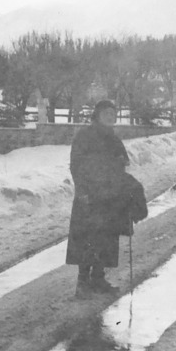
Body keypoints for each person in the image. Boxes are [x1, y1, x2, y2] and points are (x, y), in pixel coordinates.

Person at [66, 99, 136, 293]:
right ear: (97, 115)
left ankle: (98, 278)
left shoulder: (113, 138)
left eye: (113, 114)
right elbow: (76, 165)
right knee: (88, 238)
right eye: (106, 113)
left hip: (110, 197)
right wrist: (82, 190)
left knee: (106, 238)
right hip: (89, 195)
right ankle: (83, 281)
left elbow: (122, 165)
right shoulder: (85, 136)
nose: (110, 117)